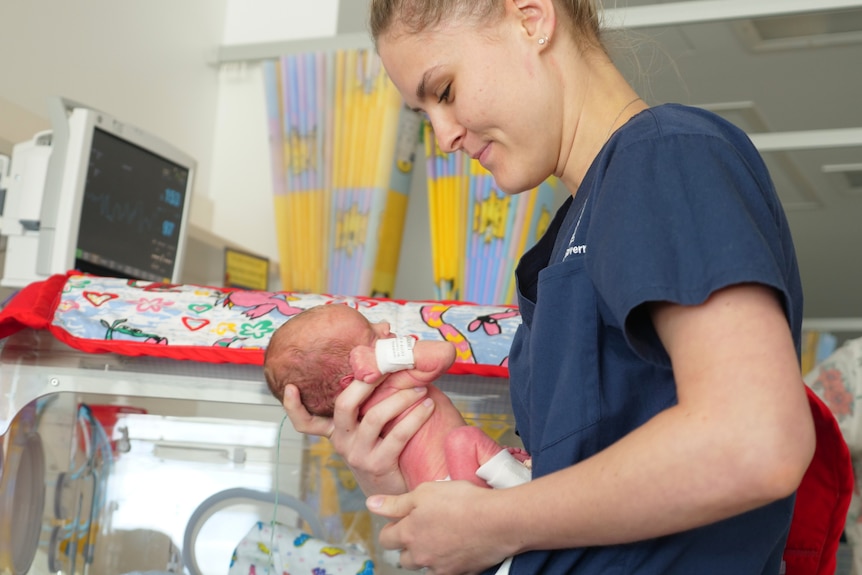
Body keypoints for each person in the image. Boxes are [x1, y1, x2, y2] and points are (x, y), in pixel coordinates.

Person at [282, 0, 818, 573]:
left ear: (532, 19)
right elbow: (565, 512)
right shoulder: (569, 237)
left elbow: (756, 441)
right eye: (423, 114)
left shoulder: (664, 155)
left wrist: (491, 524)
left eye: (443, 91)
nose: (442, 136)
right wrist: (404, 473)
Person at [264, 304, 531, 491]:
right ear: (354, 377)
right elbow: (444, 353)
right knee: (466, 439)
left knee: (469, 445)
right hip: (454, 493)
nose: (384, 325)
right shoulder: (392, 384)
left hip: (442, 491)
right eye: (371, 334)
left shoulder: (360, 422)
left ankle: (500, 473)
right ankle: (522, 486)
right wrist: (383, 358)